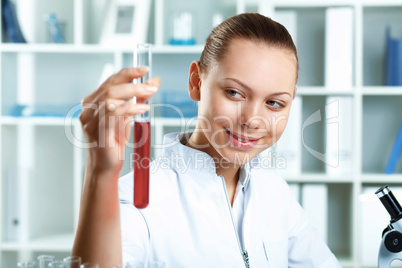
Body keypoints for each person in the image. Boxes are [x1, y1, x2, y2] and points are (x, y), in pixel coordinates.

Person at [73, 13, 341, 267]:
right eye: (235, 93)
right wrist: (101, 172)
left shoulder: (273, 191)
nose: (251, 119)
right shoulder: (137, 197)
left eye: (274, 103)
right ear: (196, 82)